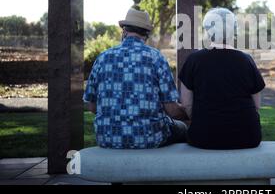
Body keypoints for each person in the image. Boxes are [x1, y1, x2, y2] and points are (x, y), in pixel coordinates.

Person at [83, 8, 188, 149]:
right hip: (149, 137)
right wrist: (190, 112)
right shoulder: (156, 57)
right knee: (182, 127)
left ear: (124, 31)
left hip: (106, 137)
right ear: (146, 35)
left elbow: (91, 106)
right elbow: (173, 110)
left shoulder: (102, 57)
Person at [179, 8, 265, 150]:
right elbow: (256, 106)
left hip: (203, 137)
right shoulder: (246, 60)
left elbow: (187, 104)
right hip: (248, 137)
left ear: (208, 31)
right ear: (234, 31)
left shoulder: (194, 60)